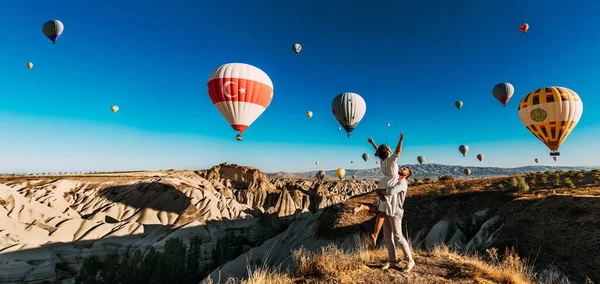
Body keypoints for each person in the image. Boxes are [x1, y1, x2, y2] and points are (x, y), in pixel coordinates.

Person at [353, 133, 415, 272]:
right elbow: (383, 154)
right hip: (388, 208)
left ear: (407, 175)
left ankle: (410, 260)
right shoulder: (390, 171)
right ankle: (391, 260)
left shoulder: (402, 183)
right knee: (387, 237)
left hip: (396, 211)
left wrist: (400, 140)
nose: (403, 168)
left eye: (406, 169)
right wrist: (374, 144)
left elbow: (391, 191)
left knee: (398, 236)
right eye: (403, 167)